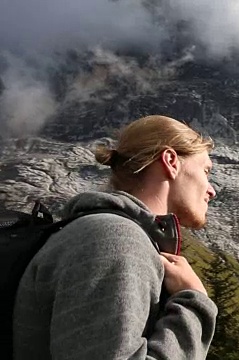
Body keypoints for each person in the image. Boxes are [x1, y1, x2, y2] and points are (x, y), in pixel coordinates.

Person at [12, 115, 218, 359]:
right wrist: (194, 304)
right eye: (205, 171)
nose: (211, 190)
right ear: (171, 161)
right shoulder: (117, 240)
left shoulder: (110, 234)